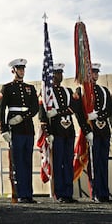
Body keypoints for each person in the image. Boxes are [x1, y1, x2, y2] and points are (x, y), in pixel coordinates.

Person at [38, 63, 81, 203]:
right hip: (56, 132)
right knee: (58, 163)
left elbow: (75, 107)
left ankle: (68, 192)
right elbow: (42, 115)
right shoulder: (46, 93)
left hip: (68, 132)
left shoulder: (68, 91)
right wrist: (47, 132)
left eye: (61, 73)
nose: (60, 75)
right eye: (57, 73)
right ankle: (60, 193)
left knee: (68, 162)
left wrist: (58, 112)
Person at [0, 58, 39, 203]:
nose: (22, 71)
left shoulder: (30, 88)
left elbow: (35, 108)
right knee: (18, 162)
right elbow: (1, 109)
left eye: (23, 69)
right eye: (19, 69)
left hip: (27, 128)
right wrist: (3, 129)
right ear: (13, 70)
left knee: (27, 162)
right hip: (15, 130)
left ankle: (28, 194)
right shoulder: (7, 88)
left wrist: (22, 117)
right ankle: (20, 194)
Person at [77, 63, 112, 203]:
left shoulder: (104, 90)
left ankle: (104, 192)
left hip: (104, 131)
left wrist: (97, 115)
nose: (95, 75)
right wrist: (86, 131)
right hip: (92, 132)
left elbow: (110, 109)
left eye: (97, 73)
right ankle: (96, 192)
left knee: (103, 162)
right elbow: (80, 114)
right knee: (94, 163)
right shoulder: (83, 92)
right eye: (93, 72)